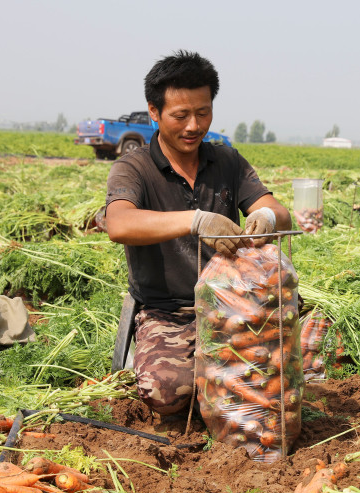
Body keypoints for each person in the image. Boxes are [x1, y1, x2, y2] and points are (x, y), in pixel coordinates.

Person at [105, 50, 291, 417]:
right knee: (168, 392)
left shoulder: (226, 161)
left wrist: (267, 218)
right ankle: (148, 354)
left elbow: (281, 213)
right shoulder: (134, 168)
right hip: (169, 310)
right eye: (181, 115)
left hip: (232, 302)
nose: (193, 126)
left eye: (203, 113)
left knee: (280, 377)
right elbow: (119, 224)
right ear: (154, 112)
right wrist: (195, 220)